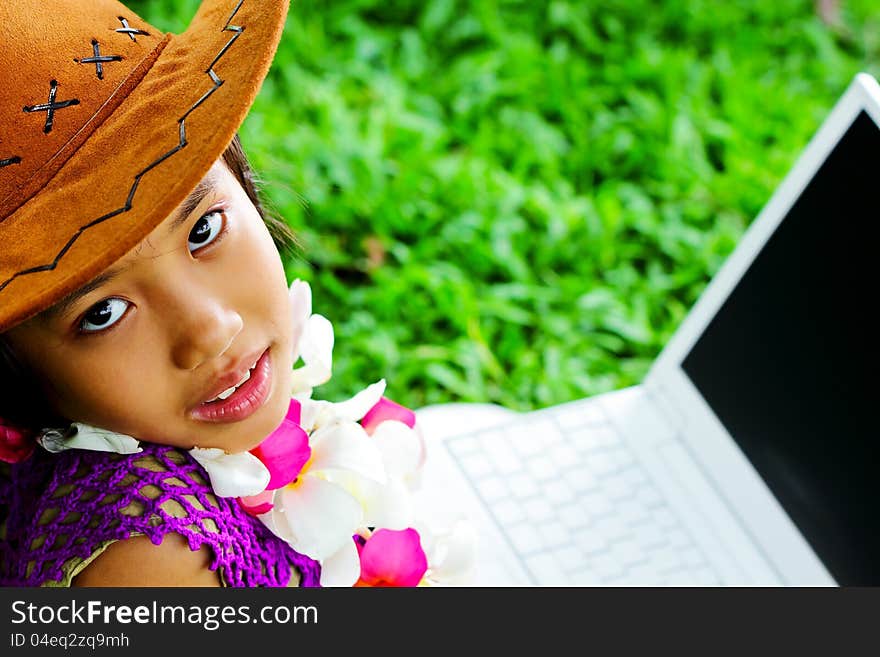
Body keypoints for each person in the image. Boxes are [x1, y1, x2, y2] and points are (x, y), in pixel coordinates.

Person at [0, 0, 448, 588]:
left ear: (241, 179)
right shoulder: (156, 559)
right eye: (103, 313)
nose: (210, 329)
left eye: (204, 229)